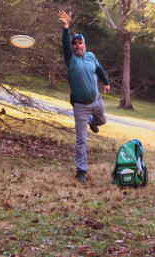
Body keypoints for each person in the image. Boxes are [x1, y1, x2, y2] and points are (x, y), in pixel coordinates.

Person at [58, 10, 110, 183]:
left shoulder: (91, 56)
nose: (77, 46)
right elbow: (65, 45)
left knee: (102, 121)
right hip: (80, 106)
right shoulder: (70, 59)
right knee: (81, 140)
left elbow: (100, 69)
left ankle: (91, 123)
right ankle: (81, 171)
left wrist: (106, 82)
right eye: (75, 43)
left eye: (80, 43)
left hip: (96, 101)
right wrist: (66, 28)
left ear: (84, 44)